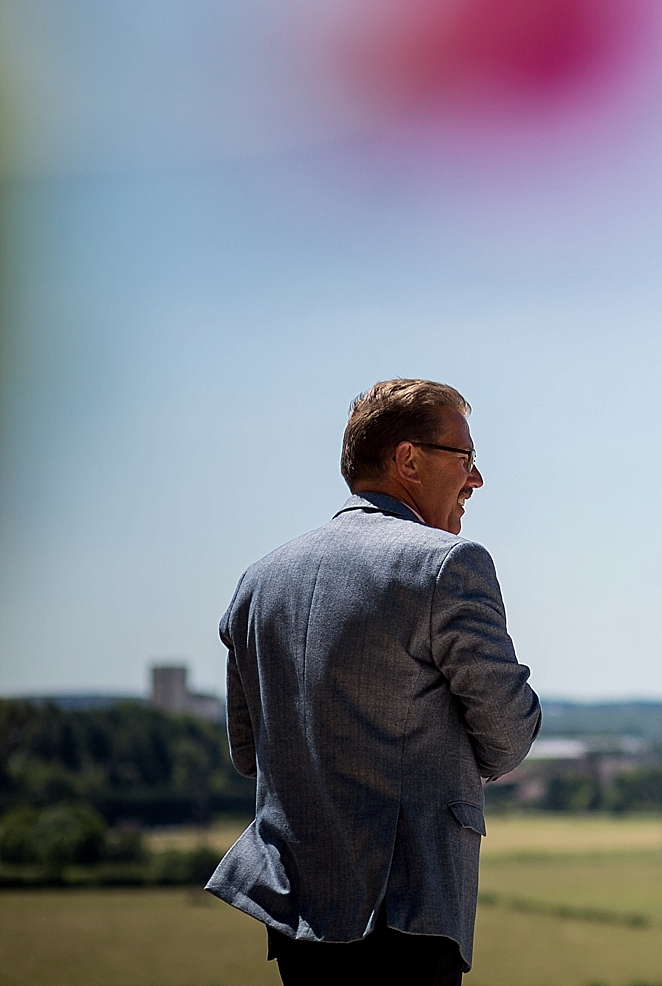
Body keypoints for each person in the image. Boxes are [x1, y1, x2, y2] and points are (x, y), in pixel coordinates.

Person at [206, 379, 541, 985]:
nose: (477, 479)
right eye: (464, 458)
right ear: (407, 459)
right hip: (407, 911)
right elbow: (509, 732)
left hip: (293, 905)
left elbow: (247, 751)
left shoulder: (257, 582)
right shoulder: (447, 565)